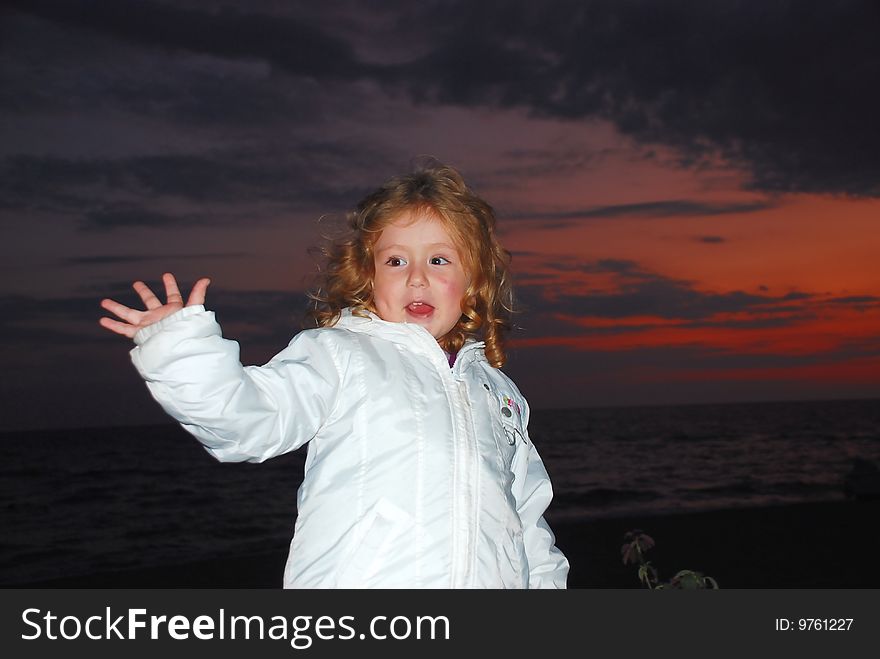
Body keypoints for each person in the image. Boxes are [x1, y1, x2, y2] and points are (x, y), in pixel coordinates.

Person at [99, 162, 569, 589]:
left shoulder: (497, 391)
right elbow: (248, 421)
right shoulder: (339, 354)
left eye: (439, 259)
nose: (417, 278)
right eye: (396, 260)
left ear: (473, 279)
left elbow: (525, 516)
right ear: (367, 275)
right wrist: (180, 349)